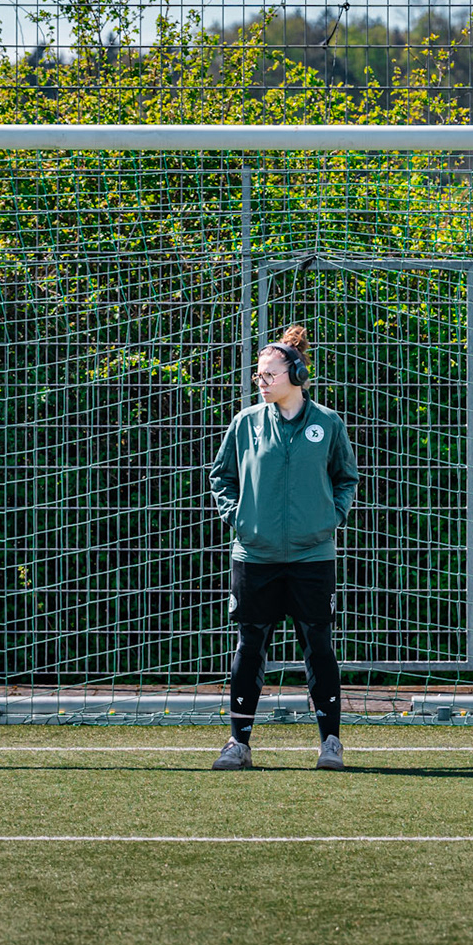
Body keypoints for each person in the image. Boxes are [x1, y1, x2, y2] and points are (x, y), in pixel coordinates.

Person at [206, 325, 359, 770]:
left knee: (318, 645)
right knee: (249, 645)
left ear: (297, 374)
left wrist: (333, 516)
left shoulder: (327, 423)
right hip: (255, 556)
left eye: (269, 374)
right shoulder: (245, 424)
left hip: (313, 556)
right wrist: (238, 517)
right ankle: (239, 744)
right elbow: (222, 477)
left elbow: (345, 478)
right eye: (259, 376)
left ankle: (331, 743)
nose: (262, 382)